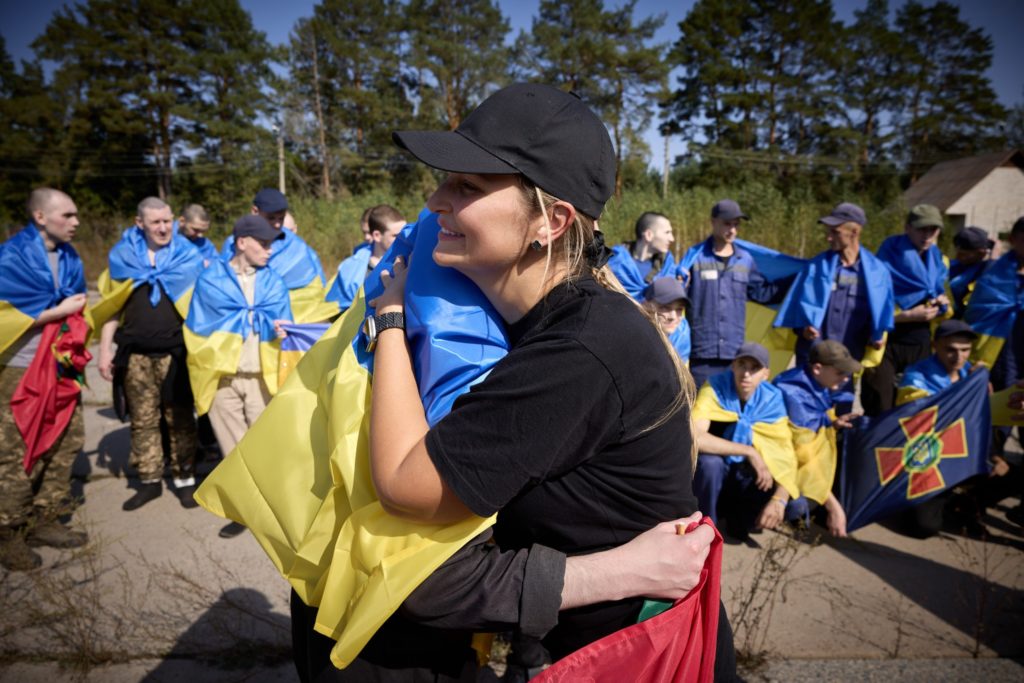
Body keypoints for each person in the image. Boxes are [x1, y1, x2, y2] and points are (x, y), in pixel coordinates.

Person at [292, 83, 730, 681]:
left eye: (467, 186)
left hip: (627, 655)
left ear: (550, 221)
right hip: (567, 650)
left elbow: (402, 485)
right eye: (445, 178)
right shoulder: (533, 323)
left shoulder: (581, 349)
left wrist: (389, 318)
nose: (436, 199)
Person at [93, 197, 204, 511]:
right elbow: (111, 309)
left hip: (176, 354)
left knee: (181, 418)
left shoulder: (188, 257)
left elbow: (203, 308)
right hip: (136, 355)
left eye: (167, 221)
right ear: (138, 223)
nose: (163, 228)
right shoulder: (122, 258)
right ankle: (150, 481)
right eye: (155, 222)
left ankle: (185, 480)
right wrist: (104, 353)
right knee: (142, 421)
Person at [184, 215, 292, 538]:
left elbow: (286, 321)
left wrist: (280, 328)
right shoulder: (210, 281)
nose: (269, 251)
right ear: (242, 242)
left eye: (272, 244)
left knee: (263, 446)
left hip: (261, 376)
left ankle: (274, 510)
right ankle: (244, 513)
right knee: (233, 449)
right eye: (264, 243)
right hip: (224, 378)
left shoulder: (274, 281)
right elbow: (197, 329)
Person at [0, 188, 89, 570]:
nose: (75, 222)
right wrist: (57, 313)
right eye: (67, 215)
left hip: (61, 365)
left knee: (67, 440)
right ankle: (8, 531)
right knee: (18, 450)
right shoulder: (9, 258)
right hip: (20, 368)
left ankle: (45, 517)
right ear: (40, 217)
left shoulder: (69, 257)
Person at [773, 202, 894, 414]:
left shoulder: (876, 273)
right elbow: (797, 311)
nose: (829, 237)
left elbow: (881, 313)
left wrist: (877, 335)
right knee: (804, 412)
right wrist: (804, 328)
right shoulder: (816, 267)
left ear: (854, 232)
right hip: (814, 359)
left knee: (842, 412)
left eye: (835, 232)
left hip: (846, 361)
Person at [691, 343, 799, 539]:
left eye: (754, 368)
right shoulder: (715, 386)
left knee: (743, 527)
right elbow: (695, 437)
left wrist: (779, 499)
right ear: (733, 365)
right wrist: (749, 451)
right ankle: (706, 528)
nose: (746, 374)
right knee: (709, 464)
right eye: (742, 364)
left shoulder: (772, 400)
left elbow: (785, 455)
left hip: (745, 475)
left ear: (766, 374)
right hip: (717, 473)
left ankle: (736, 517)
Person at [678, 199, 780, 387]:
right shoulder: (694, 257)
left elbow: (761, 293)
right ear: (713, 222)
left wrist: (797, 282)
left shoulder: (745, 260)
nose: (732, 229)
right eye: (727, 223)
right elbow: (677, 295)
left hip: (735, 353)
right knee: (700, 408)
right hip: (702, 352)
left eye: (736, 224)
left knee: (728, 411)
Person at [862, 204, 950, 415]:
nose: (927, 235)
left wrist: (940, 304)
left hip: (919, 342)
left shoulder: (937, 258)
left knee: (916, 405)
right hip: (885, 341)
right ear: (907, 227)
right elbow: (870, 301)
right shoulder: (888, 255)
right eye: (922, 229)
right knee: (880, 402)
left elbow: (942, 294)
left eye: (933, 230)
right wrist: (907, 316)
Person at [773, 340, 863, 537]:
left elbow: (816, 419)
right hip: (784, 467)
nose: (847, 378)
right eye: (840, 373)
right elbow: (802, 455)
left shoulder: (816, 384)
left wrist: (833, 423)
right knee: (801, 506)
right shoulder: (795, 395)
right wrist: (833, 505)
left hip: (803, 457)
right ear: (817, 368)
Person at [220, 189, 333, 323]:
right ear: (255, 211)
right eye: (271, 218)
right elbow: (224, 278)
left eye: (281, 218)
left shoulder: (295, 244)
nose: (277, 224)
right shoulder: (233, 242)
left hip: (299, 319)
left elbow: (317, 279)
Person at [325, 205, 406, 312]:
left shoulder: (408, 259)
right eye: (396, 235)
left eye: (406, 232)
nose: (405, 237)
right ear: (377, 235)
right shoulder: (355, 268)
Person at [606, 211, 677, 299]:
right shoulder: (614, 262)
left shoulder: (666, 266)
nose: (672, 239)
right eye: (667, 232)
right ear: (648, 235)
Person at [642, 277, 690, 364]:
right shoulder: (636, 338)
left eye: (679, 309)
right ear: (646, 305)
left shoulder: (681, 338)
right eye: (665, 307)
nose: (672, 317)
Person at [948, 226, 994, 319]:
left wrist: (993, 259)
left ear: (981, 253)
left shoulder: (987, 269)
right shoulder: (954, 266)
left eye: (963, 254)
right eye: (957, 252)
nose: (957, 257)